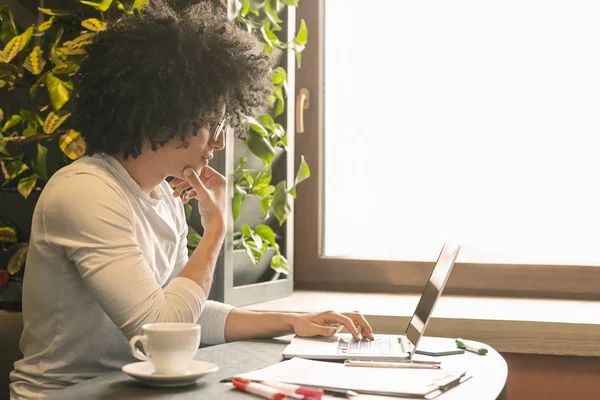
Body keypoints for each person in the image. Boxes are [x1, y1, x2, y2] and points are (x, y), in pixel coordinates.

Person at [9, 1, 374, 399]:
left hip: (131, 389)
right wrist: (216, 229)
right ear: (164, 114)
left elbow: (188, 308)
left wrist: (296, 320)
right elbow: (162, 329)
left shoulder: (164, 196)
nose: (219, 141)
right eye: (212, 124)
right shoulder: (85, 192)